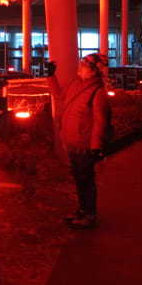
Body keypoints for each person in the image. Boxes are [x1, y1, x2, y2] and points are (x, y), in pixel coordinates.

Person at [47, 53, 110, 229]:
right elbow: (59, 95)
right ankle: (83, 210)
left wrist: (97, 148)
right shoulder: (76, 83)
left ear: (94, 71)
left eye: (84, 65)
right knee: (79, 179)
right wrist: (51, 76)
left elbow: (100, 122)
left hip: (85, 145)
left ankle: (89, 214)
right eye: (81, 63)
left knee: (86, 180)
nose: (80, 66)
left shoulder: (98, 92)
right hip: (72, 141)